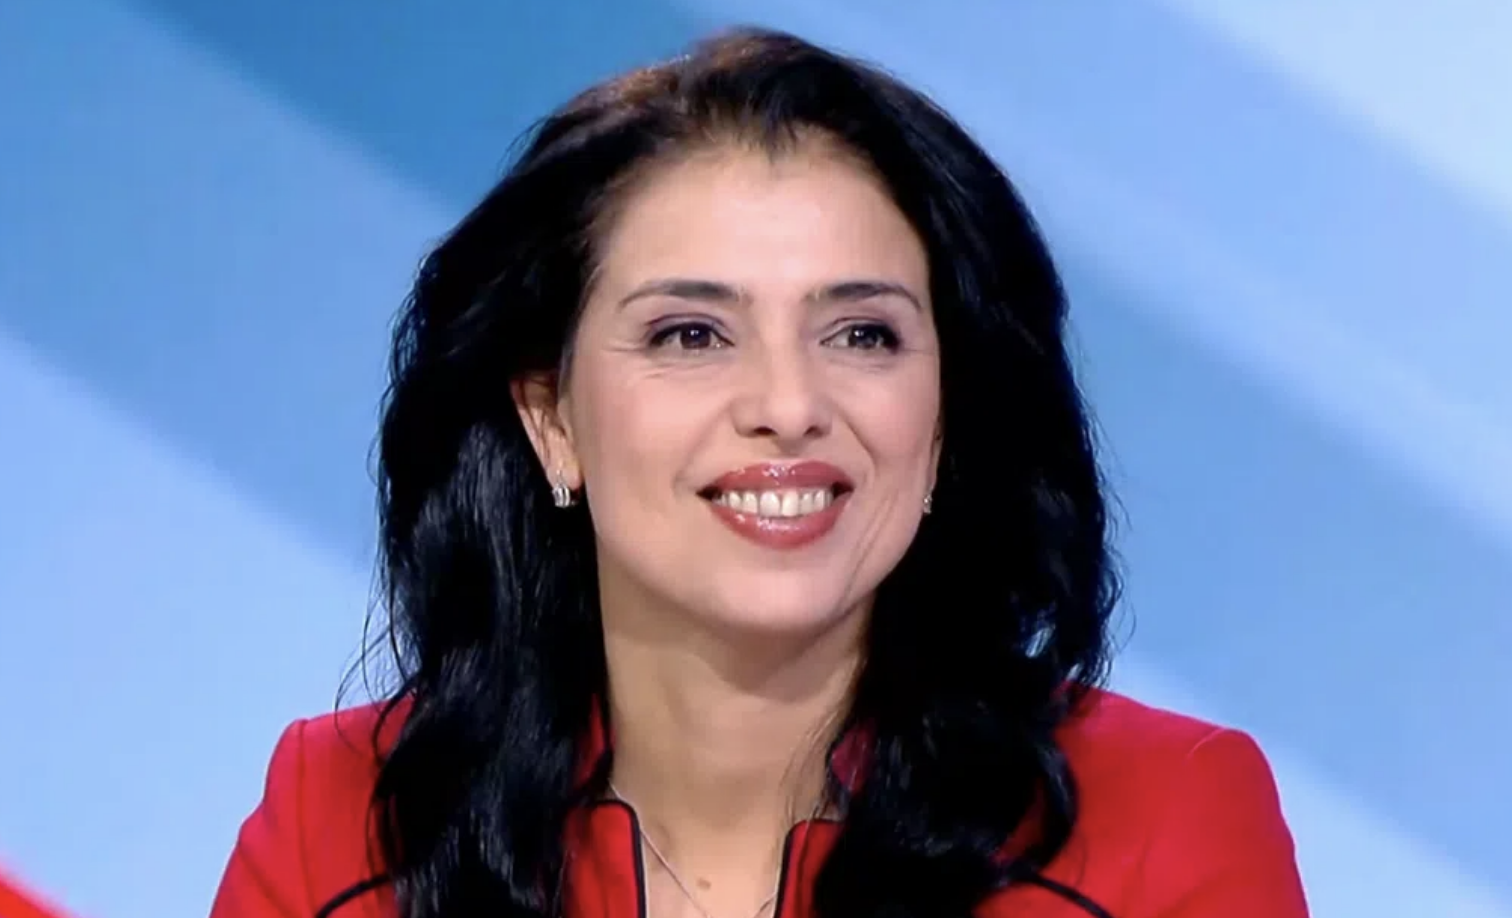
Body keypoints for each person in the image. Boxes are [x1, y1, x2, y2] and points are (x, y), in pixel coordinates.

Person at [209, 26, 1309, 918]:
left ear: (946, 414)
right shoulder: (347, 821)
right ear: (552, 419)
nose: (787, 405)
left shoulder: (1164, 820)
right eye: (691, 334)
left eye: (862, 335)